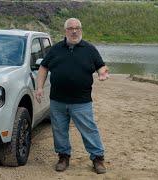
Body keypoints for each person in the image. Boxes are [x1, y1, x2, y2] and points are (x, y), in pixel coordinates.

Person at [35, 18, 109, 174]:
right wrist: (39, 88)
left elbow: (101, 66)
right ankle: (63, 157)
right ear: (65, 31)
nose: (74, 31)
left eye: (77, 28)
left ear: (81, 30)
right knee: (59, 130)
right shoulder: (55, 49)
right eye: (70, 28)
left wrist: (102, 73)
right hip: (58, 101)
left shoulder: (89, 49)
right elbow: (43, 67)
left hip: (81, 101)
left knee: (89, 130)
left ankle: (97, 159)